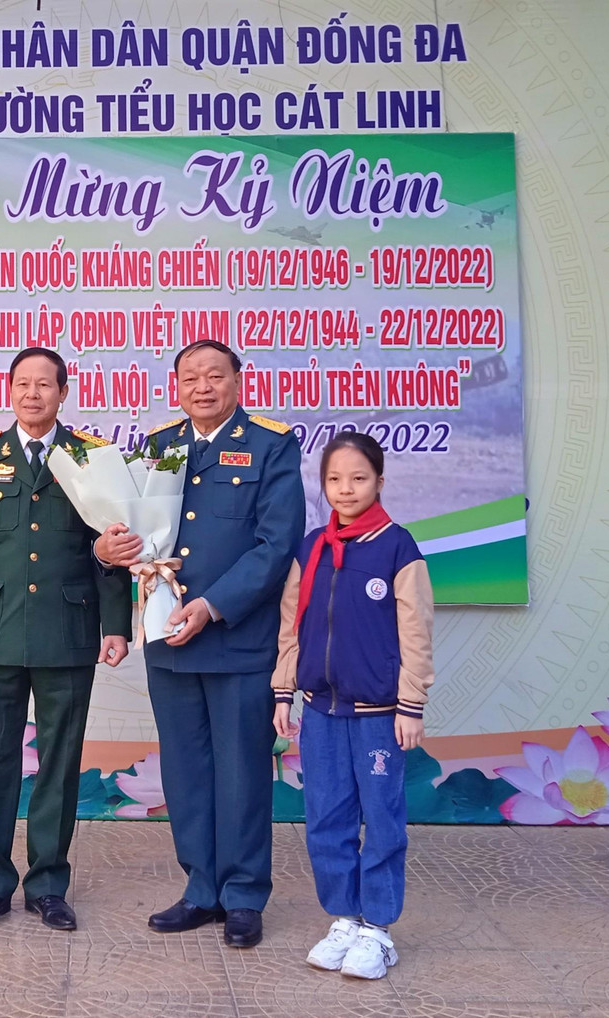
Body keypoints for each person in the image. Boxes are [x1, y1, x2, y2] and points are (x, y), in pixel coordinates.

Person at [104, 339, 305, 949]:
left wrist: (212, 605)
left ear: (238, 382)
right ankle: (200, 889)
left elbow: (277, 544)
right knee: (186, 770)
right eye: (190, 377)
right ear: (176, 386)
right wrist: (114, 547)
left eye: (215, 375)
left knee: (242, 771)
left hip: (238, 638)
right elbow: (137, 532)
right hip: (169, 638)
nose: (203, 387)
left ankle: (243, 896)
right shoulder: (159, 447)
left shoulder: (270, 446)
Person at [0, 347, 134, 933]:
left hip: (66, 632)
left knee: (59, 762)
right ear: (10, 390)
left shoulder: (92, 458)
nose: (32, 394)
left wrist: (115, 625)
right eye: (22, 384)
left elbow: (112, 546)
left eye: (44, 384)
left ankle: (49, 885)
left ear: (63, 392)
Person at [271, 430, 435, 979]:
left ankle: (378, 930)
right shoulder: (312, 547)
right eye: (335, 479)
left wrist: (410, 704)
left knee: (382, 819)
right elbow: (291, 625)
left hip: (379, 716)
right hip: (320, 711)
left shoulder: (398, 547)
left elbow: (416, 633)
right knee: (326, 817)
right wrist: (284, 691)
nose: (346, 489)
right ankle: (344, 919)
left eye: (359, 478)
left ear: (379, 481)